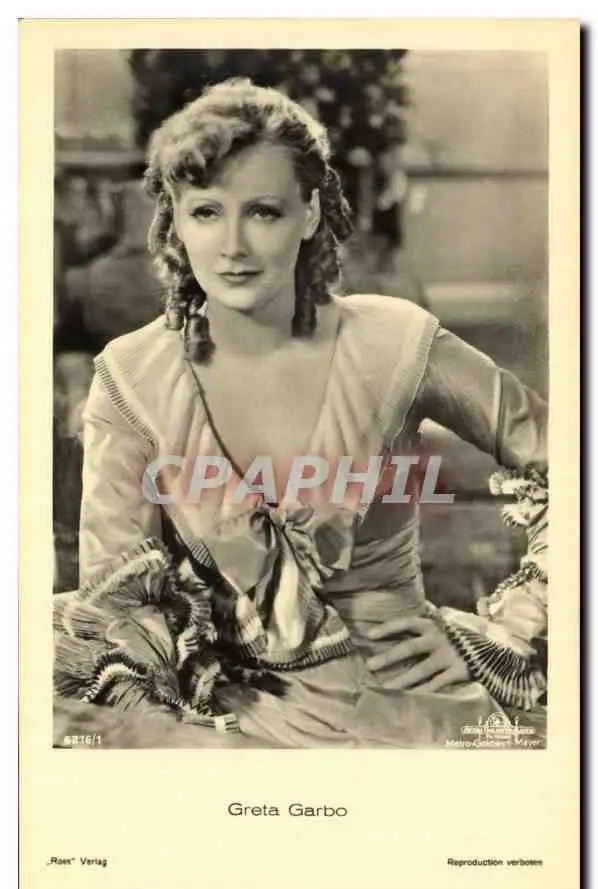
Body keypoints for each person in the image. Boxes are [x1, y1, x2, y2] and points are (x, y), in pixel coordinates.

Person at [53, 79, 548, 749]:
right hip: (221, 722)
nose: (233, 245)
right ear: (175, 221)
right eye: (206, 212)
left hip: (409, 705)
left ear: (310, 213)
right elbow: (119, 607)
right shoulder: (131, 376)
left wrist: (511, 630)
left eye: (263, 212)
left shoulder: (397, 341)